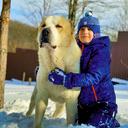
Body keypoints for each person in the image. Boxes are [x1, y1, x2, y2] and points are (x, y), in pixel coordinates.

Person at [48, 11, 120, 128]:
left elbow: (94, 76)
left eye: (89, 29)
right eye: (82, 29)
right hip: (83, 106)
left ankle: (110, 121)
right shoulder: (74, 48)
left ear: (95, 33)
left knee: (93, 124)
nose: (85, 32)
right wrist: (48, 71)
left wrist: (65, 79)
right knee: (80, 125)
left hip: (102, 104)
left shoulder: (101, 50)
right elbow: (61, 63)